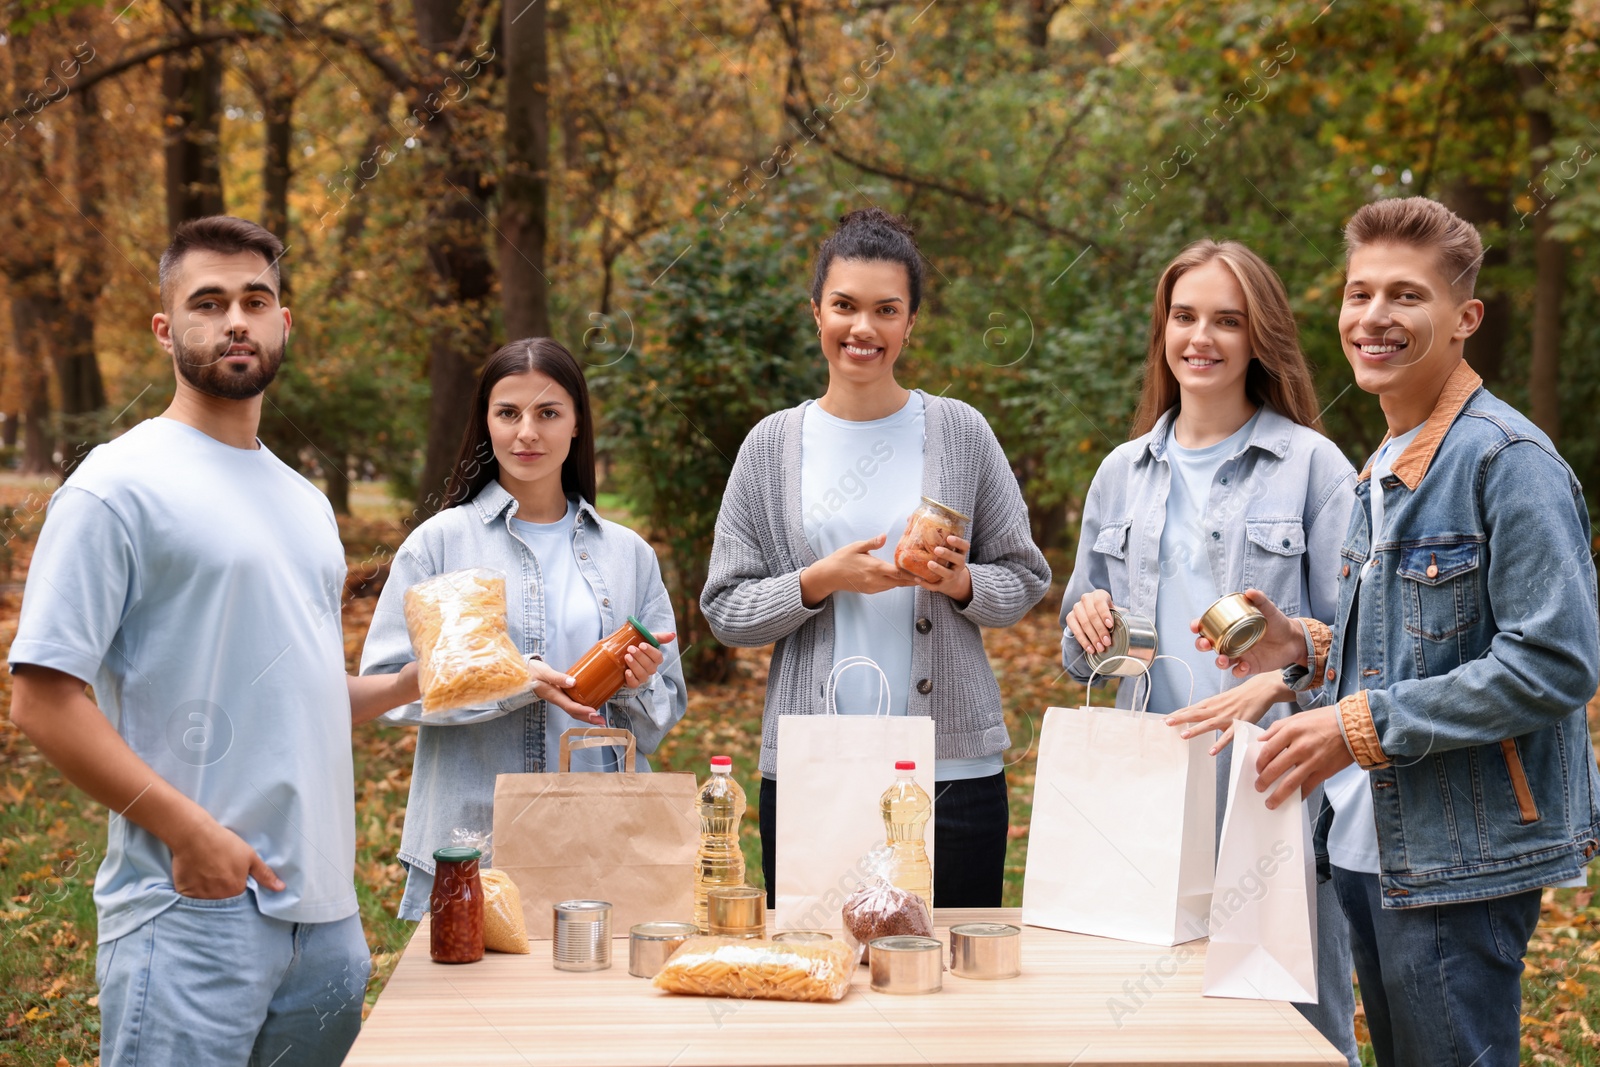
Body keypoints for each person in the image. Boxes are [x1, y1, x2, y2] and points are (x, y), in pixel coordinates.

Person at [7, 216, 423, 1066]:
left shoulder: (304, 502)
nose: (236, 318)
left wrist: (416, 678)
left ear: (283, 323)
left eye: (255, 299)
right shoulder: (116, 485)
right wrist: (191, 835)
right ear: (167, 329)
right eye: (209, 301)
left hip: (329, 921)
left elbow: (300, 690)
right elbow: (42, 698)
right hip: (191, 905)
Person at [1204, 197, 1600, 1067]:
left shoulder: (1506, 461)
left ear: (1464, 319)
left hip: (1458, 857)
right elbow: (1403, 646)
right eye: (1359, 293)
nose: (1373, 317)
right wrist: (1302, 650)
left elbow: (1556, 663)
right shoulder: (1383, 460)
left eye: (1405, 296)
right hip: (1366, 844)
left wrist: (1358, 727)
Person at [1059, 239, 1359, 1064]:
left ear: (1258, 336)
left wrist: (1284, 673)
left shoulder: (1313, 466)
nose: (1203, 337)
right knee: (1141, 1017)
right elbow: (1084, 658)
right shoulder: (1121, 474)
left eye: (1227, 320)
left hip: (1271, 783)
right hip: (1145, 785)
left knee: (1293, 1018)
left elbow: (1360, 645)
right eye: (1185, 316)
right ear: (1163, 328)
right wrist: (1088, 623)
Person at [701, 208, 1051, 909]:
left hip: (949, 768)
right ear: (817, 313)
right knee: (818, 973)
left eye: (886, 310)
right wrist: (818, 580)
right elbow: (725, 609)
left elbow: (1024, 577)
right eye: (845, 306)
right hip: (814, 767)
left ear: (910, 322)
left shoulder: (960, 431)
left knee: (950, 985)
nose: (863, 328)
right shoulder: (772, 445)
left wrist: (961, 583)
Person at [359, 338, 685, 918]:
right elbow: (388, 689)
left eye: (548, 413)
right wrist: (513, 680)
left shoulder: (628, 555)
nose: (526, 433)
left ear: (578, 424)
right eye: (507, 413)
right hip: (476, 840)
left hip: (606, 831)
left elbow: (663, 714)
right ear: (486, 423)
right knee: (477, 1006)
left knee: (598, 1004)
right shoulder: (440, 544)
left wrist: (637, 682)